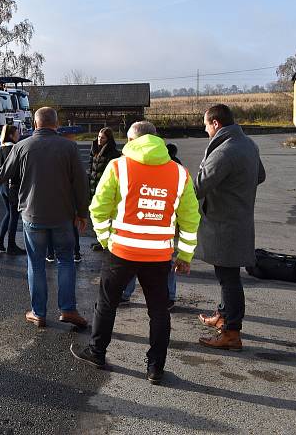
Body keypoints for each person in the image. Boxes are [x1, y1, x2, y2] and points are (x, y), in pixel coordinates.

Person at [71, 121, 200, 384]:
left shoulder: (118, 167)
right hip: (159, 257)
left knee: (107, 303)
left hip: (122, 252)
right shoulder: (179, 173)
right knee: (159, 311)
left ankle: (97, 352)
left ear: (131, 140)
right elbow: (190, 219)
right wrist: (185, 256)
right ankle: (155, 368)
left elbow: (98, 208)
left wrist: (107, 240)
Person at [0, 107, 89, 329]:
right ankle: (68, 309)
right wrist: (82, 213)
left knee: (36, 262)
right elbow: (80, 182)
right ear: (56, 124)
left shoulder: (22, 146)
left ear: (36, 124)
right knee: (66, 260)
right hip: (63, 215)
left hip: (32, 214)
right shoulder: (69, 147)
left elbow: (3, 173)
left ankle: (38, 313)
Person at [195, 104, 265, 351]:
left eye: (205, 125)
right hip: (239, 219)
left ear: (216, 123)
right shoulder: (248, 144)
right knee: (227, 274)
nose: (205, 130)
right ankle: (223, 314)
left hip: (225, 224)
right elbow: (260, 176)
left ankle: (231, 333)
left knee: (229, 279)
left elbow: (200, 186)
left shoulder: (225, 151)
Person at [121, 142, 183, 309]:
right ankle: (168, 296)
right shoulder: (177, 168)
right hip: (167, 222)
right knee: (166, 261)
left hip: (150, 221)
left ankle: (126, 293)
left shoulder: (151, 165)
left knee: (133, 258)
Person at [86, 128, 122, 255]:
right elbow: (90, 169)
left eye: (103, 138)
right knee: (97, 216)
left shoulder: (113, 153)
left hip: (105, 190)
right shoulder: (94, 149)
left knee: (107, 217)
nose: (100, 139)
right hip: (94, 187)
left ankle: (106, 242)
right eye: (99, 136)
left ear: (109, 139)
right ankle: (100, 240)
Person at [0, 124, 23, 255]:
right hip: (13, 186)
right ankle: (11, 245)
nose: (19, 135)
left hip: (2, 186)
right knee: (14, 216)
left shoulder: (0, 149)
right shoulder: (15, 149)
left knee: (8, 213)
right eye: (17, 133)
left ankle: (0, 241)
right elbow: (18, 169)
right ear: (11, 135)